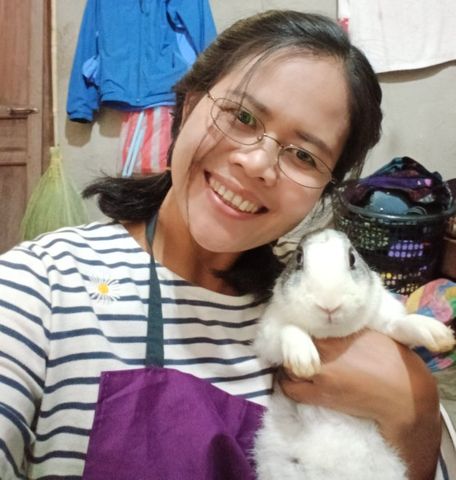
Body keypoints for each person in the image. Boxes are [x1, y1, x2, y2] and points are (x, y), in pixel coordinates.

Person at [0, 9, 445, 480]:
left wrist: (416, 418)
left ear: (324, 189)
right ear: (190, 104)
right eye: (243, 116)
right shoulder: (41, 286)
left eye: (303, 155)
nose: (257, 164)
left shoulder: (327, 310)